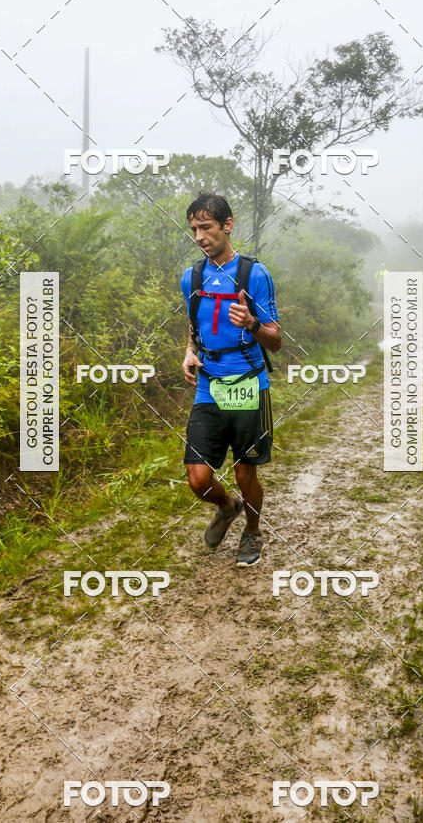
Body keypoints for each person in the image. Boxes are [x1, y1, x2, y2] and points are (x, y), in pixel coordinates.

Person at [181, 192, 281, 567]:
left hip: (247, 384)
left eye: (206, 227)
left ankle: (252, 532)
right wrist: (190, 350)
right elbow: (194, 325)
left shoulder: (254, 274)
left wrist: (252, 323)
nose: (199, 236)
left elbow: (276, 340)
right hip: (209, 385)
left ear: (227, 225)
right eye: (194, 229)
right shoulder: (191, 276)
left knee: (244, 470)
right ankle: (227, 507)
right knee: (197, 477)